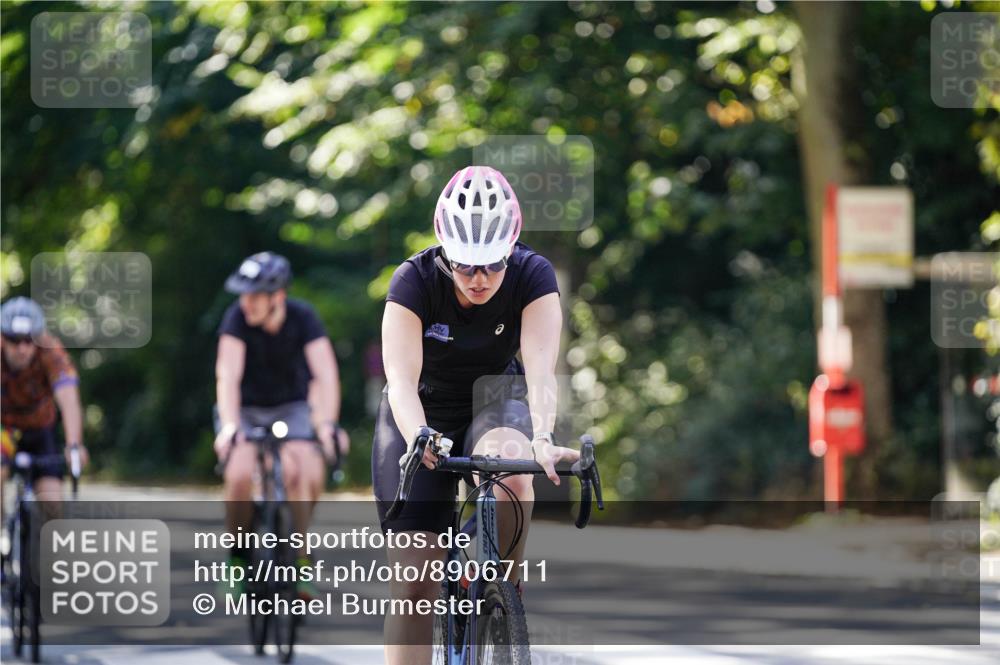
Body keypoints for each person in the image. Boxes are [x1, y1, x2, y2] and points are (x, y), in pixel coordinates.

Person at [373, 166, 581, 664]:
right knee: (414, 584)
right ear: (445, 252)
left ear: (510, 250)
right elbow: (400, 381)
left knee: (513, 469)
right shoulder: (413, 280)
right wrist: (419, 435)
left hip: (495, 398)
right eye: (465, 266)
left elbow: (541, 371)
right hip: (422, 408)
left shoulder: (533, 275)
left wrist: (543, 436)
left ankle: (502, 593)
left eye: (491, 265)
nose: (479, 279)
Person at [213, 251, 349, 599]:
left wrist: (327, 425)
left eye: (256, 295)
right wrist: (229, 426)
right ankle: (237, 559)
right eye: (244, 294)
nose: (246, 302)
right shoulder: (236, 318)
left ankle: (301, 558)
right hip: (245, 410)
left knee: (303, 470)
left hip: (292, 408)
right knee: (239, 474)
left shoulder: (303, 317)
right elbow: (227, 377)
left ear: (278, 296)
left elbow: (326, 375)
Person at [0, 297, 89, 507]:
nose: (22, 349)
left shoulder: (51, 351)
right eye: (14, 340)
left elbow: (68, 398)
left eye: (29, 340)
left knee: (52, 502)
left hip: (40, 427)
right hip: (5, 428)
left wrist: (74, 445)